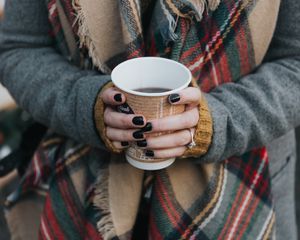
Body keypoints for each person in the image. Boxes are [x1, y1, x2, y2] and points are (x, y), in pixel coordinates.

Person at [0, 0, 300, 239]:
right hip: (85, 193)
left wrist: (218, 121)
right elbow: (20, 48)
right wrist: (87, 105)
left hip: (241, 192)